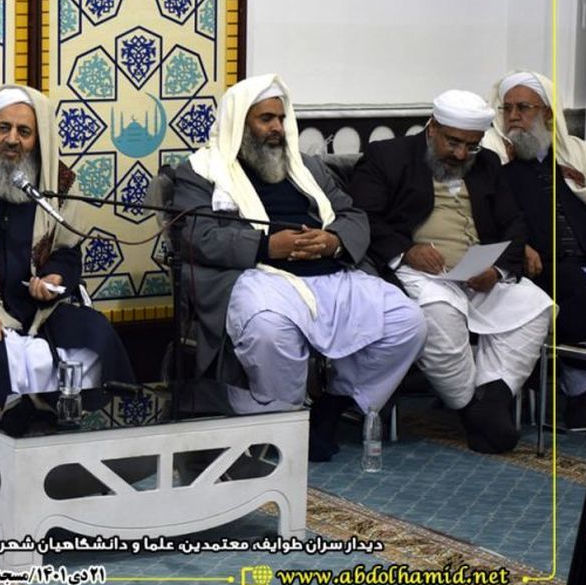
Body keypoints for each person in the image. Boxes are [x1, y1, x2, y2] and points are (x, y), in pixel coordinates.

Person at [170, 75, 426, 460]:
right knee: (269, 332)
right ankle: (285, 422)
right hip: (259, 274)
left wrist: (333, 240)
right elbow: (196, 235)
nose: (277, 128)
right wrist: (266, 244)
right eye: (266, 119)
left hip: (330, 272)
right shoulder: (201, 171)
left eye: (281, 118)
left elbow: (352, 214)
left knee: (408, 323)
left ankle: (334, 404)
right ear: (240, 122)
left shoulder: (306, 167)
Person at [349, 90, 551, 453]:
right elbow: (363, 217)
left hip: (478, 274)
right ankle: (471, 407)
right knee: (439, 314)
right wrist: (407, 250)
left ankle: (492, 395)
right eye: (453, 143)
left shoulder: (486, 162)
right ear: (432, 129)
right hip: (421, 273)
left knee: (536, 305)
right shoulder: (388, 157)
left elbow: (514, 222)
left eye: (471, 146)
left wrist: (498, 270)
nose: (460, 155)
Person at [0, 85, 135, 404]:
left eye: (24, 131)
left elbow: (67, 251)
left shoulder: (59, 182)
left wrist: (56, 276)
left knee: (97, 335)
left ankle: (85, 426)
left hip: (39, 310)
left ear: (38, 137)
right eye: (4, 128)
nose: (12, 139)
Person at [484, 71, 586, 428]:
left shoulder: (575, 158)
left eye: (523, 108)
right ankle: (580, 392)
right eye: (507, 109)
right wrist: (522, 246)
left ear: (547, 113)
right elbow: (488, 222)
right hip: (539, 265)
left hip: (584, 257)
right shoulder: (495, 164)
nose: (513, 116)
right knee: (575, 285)